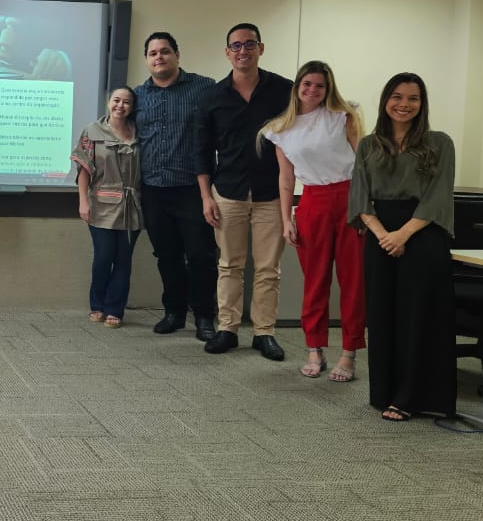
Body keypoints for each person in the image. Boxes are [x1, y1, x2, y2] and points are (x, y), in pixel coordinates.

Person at [348, 72, 456, 422]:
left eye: (412, 98)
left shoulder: (440, 143)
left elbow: (437, 197)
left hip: (423, 235)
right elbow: (360, 197)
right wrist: (384, 235)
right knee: (381, 315)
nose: (404, 104)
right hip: (380, 235)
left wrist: (402, 235)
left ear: (422, 104)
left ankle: (411, 397)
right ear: (385, 101)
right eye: (396, 96)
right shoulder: (368, 144)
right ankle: (384, 393)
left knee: (416, 317)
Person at [260, 61, 364, 381]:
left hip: (349, 199)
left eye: (320, 86)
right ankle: (314, 348)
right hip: (312, 203)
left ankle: (349, 352)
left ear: (328, 88)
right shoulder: (280, 130)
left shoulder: (343, 117)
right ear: (297, 87)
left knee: (353, 281)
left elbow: (363, 166)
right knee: (315, 282)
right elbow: (285, 180)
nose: (313, 91)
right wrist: (286, 219)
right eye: (307, 84)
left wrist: (365, 209)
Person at [196, 23, 292, 360]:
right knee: (229, 265)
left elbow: (298, 141)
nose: (242, 51)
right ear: (227, 53)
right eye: (236, 46)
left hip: (272, 194)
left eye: (249, 44)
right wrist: (206, 197)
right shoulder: (213, 96)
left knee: (268, 269)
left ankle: (264, 332)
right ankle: (228, 329)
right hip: (228, 191)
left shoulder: (284, 90)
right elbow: (202, 151)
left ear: (260, 48)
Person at [133, 32, 219, 340]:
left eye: (165, 51)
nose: (159, 57)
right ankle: (174, 312)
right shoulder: (138, 96)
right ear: (147, 60)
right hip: (153, 189)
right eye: (153, 53)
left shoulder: (204, 88)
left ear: (177, 55)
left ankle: (205, 317)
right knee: (166, 255)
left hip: (192, 188)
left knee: (201, 255)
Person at [71, 87, 143, 328]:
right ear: (108, 102)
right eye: (116, 100)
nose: (120, 106)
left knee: (124, 260)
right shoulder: (92, 132)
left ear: (132, 107)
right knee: (103, 257)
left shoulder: (139, 132)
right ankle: (98, 304)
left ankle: (115, 309)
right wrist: (83, 201)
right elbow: (84, 170)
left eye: (126, 102)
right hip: (101, 205)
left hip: (132, 206)